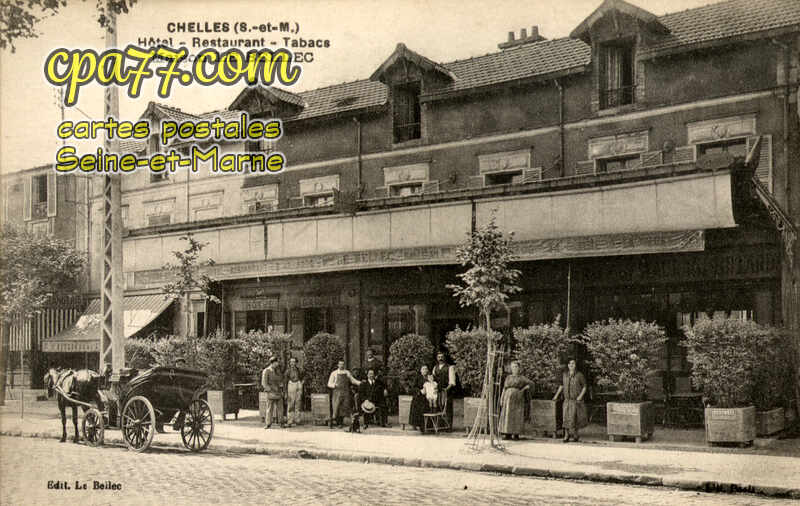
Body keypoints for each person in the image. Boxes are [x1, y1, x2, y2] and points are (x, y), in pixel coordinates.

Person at [553, 358, 587, 443]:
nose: (571, 365)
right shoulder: (565, 375)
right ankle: (566, 435)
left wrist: (580, 396)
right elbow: (561, 386)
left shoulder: (579, 375)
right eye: (570, 364)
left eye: (573, 364)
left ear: (575, 365)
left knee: (575, 418)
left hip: (575, 400)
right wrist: (556, 395)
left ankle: (575, 434)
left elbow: (584, 387)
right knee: (566, 418)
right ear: (568, 365)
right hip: (567, 400)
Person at [498, 360, 534, 440]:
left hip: (518, 399)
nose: (514, 368)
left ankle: (516, 434)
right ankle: (507, 434)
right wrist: (502, 398)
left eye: (516, 367)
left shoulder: (522, 378)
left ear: (519, 368)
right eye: (513, 367)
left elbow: (531, 384)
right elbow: (504, 388)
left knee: (517, 416)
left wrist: (524, 389)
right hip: (507, 399)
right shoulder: (508, 377)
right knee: (507, 415)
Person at [327, 360, 361, 428]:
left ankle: (341, 422)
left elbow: (352, 380)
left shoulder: (347, 372)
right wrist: (334, 385)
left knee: (344, 407)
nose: (341, 366)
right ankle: (335, 421)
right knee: (337, 407)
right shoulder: (334, 373)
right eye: (340, 364)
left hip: (345, 392)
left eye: (343, 364)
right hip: (337, 392)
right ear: (338, 365)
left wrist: (360, 383)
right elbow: (329, 384)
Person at [432, 351, 456, 429]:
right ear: (437, 358)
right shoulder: (435, 368)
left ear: (444, 358)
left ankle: (448, 427)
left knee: (447, 408)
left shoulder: (450, 367)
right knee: (438, 407)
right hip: (438, 391)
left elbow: (452, 382)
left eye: (442, 357)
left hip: (447, 391)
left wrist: (446, 390)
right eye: (439, 357)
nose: (440, 358)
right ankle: (440, 426)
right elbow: (433, 380)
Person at [262, 357, 284, 429]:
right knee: (269, 409)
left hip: (278, 392)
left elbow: (280, 380)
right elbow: (264, 383)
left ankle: (281, 423)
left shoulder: (278, 371)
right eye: (276, 362)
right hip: (271, 392)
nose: (277, 364)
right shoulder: (266, 371)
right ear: (273, 363)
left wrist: (281, 386)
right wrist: (270, 390)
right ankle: (268, 424)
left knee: (280, 408)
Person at [408, 365, 430, 432]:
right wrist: (420, 391)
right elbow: (413, 387)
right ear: (421, 371)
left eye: (426, 369)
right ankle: (416, 424)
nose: (425, 370)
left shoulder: (429, 378)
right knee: (417, 405)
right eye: (423, 369)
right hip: (419, 396)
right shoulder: (418, 378)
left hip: (427, 397)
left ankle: (426, 425)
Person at [284, 356, 303, 427]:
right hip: (291, 385)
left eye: (294, 362)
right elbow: (285, 382)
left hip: (298, 384)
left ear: (296, 363)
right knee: (291, 403)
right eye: (291, 362)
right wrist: (285, 392)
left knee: (298, 402)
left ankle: (297, 420)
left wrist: (301, 383)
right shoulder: (287, 371)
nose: (292, 363)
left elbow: (304, 376)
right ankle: (290, 420)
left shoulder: (299, 370)